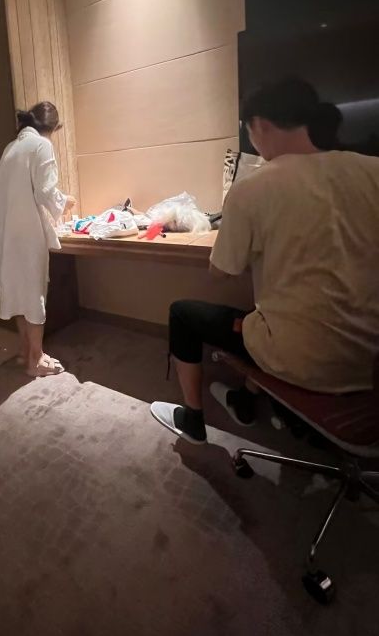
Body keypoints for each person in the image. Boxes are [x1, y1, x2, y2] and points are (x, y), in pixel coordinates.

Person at [150, 77, 379, 445]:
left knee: (185, 314)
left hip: (303, 359)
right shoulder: (372, 170)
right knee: (264, 315)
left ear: (259, 124)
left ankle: (192, 422)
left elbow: (221, 271)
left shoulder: (253, 188)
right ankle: (244, 399)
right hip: (369, 361)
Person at [0, 101, 76, 377]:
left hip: (7, 234)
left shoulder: (10, 148)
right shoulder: (41, 145)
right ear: (52, 128)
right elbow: (45, 191)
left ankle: (25, 351)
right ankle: (37, 360)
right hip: (28, 235)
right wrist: (65, 202)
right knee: (34, 293)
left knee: (19, 293)